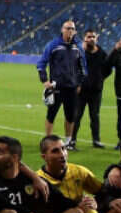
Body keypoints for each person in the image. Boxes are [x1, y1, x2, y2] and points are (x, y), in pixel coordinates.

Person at [35, 19, 85, 147]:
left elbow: (82, 67)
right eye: (68, 28)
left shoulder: (78, 47)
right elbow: (41, 64)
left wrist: (79, 83)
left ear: (75, 31)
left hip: (72, 87)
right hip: (56, 87)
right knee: (51, 115)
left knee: (70, 116)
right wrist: (44, 80)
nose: (70, 31)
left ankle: (68, 142)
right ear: (62, 30)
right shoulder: (53, 45)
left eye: (72, 29)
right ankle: (47, 141)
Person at [74, 29, 110, 149]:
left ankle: (96, 140)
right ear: (84, 38)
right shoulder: (79, 52)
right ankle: (72, 140)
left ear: (96, 38)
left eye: (93, 37)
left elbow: (108, 69)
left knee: (95, 116)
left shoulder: (102, 53)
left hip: (95, 91)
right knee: (77, 115)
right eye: (89, 37)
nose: (91, 39)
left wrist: (100, 79)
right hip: (81, 91)